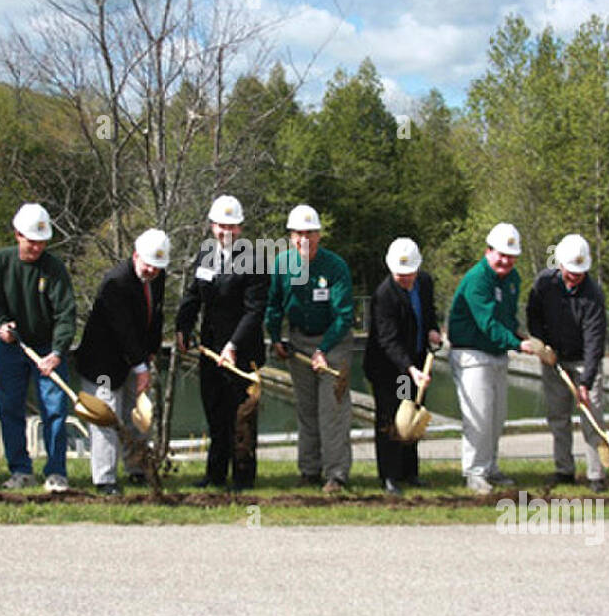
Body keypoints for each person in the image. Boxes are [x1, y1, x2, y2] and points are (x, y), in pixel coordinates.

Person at [175, 196, 269, 490]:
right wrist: (182, 326)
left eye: (231, 225)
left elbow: (255, 311)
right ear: (211, 226)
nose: (225, 231)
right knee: (216, 413)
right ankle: (215, 475)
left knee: (241, 418)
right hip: (210, 351)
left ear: (239, 228)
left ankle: (242, 478)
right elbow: (193, 296)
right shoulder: (205, 255)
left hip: (241, 354)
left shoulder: (254, 259)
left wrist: (233, 346)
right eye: (219, 225)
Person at [0, 203, 77, 492]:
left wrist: (58, 352)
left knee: (54, 410)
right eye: (31, 240)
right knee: (9, 407)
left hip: (47, 348)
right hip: (13, 347)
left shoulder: (53, 269)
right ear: (17, 235)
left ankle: (56, 472)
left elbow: (65, 312)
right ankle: (20, 470)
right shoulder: (0, 263)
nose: (36, 247)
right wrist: (0, 324)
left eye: (42, 241)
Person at [265, 204, 355, 493]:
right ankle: (309, 469)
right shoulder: (281, 265)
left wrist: (324, 349)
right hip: (299, 341)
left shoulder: (335, 266)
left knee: (333, 409)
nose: (304, 239)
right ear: (290, 236)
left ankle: (336, 474)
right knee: (306, 409)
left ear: (319, 235)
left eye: (310, 233)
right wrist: (275, 338)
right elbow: (273, 306)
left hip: (334, 341)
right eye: (298, 234)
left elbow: (344, 315)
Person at [76, 229, 168, 495]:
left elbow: (156, 317)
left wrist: (151, 352)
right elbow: (123, 330)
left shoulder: (157, 277)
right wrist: (141, 368)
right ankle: (105, 479)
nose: (152, 270)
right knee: (106, 416)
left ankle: (137, 469)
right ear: (135, 255)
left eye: (158, 266)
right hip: (102, 362)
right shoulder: (115, 282)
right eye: (148, 263)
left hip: (134, 357)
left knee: (137, 415)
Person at [447, 223, 536, 494]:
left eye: (511, 256)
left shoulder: (512, 279)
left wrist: (517, 335)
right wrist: (519, 345)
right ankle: (474, 472)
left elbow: (506, 319)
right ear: (488, 251)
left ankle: (490, 467)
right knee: (480, 417)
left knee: (497, 417)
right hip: (471, 353)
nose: (505, 261)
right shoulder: (478, 279)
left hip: (496, 353)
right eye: (500, 254)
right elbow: (487, 324)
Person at [526, 233, 609, 492]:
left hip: (584, 360)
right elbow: (533, 314)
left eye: (580, 272)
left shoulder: (593, 294)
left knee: (591, 415)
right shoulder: (544, 283)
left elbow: (595, 340)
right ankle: (564, 470)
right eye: (571, 271)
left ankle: (596, 474)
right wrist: (542, 344)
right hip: (554, 360)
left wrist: (586, 381)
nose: (575, 276)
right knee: (558, 417)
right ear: (560, 265)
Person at [362, 238, 441, 496]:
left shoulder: (425, 283)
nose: (406, 279)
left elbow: (428, 313)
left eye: (410, 274)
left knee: (412, 417)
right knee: (392, 419)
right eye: (400, 275)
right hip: (390, 368)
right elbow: (388, 339)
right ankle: (390, 476)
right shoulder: (384, 295)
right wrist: (410, 369)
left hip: (416, 362)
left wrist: (433, 331)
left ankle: (410, 472)